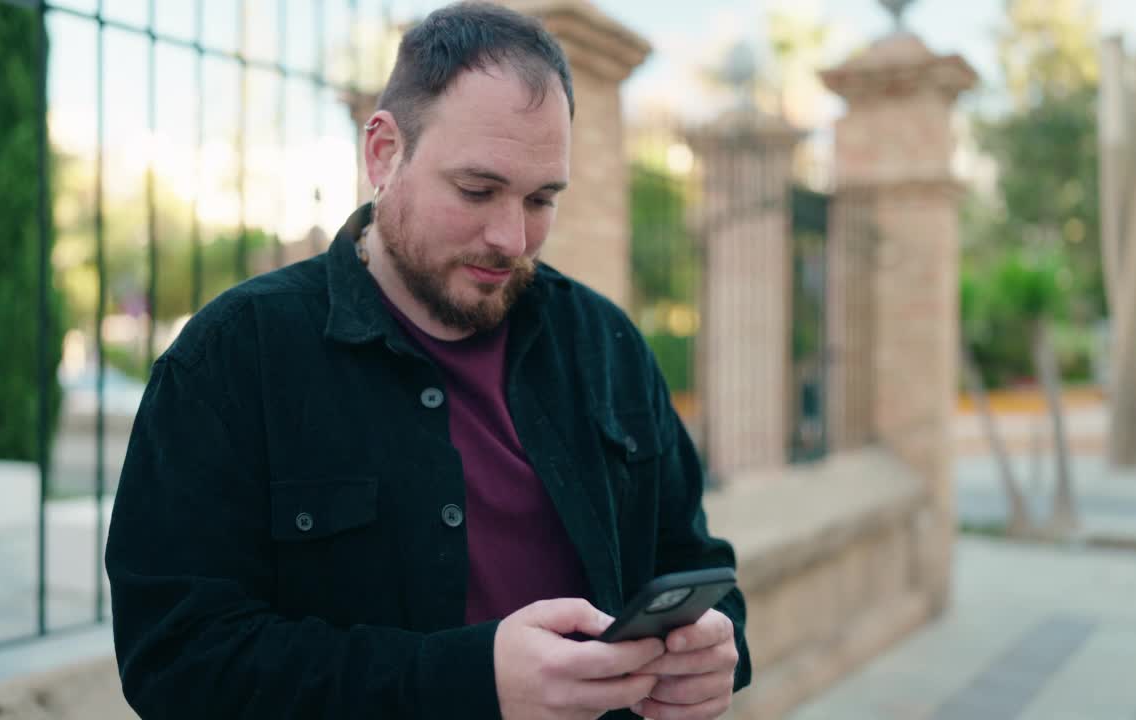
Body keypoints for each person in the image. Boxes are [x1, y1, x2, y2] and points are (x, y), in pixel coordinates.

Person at [104, 2, 751, 718]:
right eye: (477, 190)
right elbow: (176, 660)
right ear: (383, 152)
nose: (511, 236)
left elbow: (689, 560)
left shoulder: (605, 345)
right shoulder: (234, 356)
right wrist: (472, 680)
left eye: (541, 199)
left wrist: (721, 647)